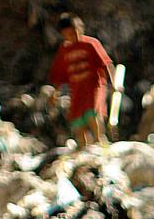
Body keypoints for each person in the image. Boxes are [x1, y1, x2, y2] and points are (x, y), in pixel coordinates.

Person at [47, 12, 114, 146]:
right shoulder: (64, 50)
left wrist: (113, 83)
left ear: (81, 28)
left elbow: (106, 64)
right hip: (77, 91)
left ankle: (100, 142)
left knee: (92, 113)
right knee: (77, 122)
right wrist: (55, 92)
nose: (74, 36)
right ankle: (84, 148)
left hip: (94, 87)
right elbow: (58, 73)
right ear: (63, 34)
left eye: (75, 31)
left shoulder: (91, 43)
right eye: (69, 34)